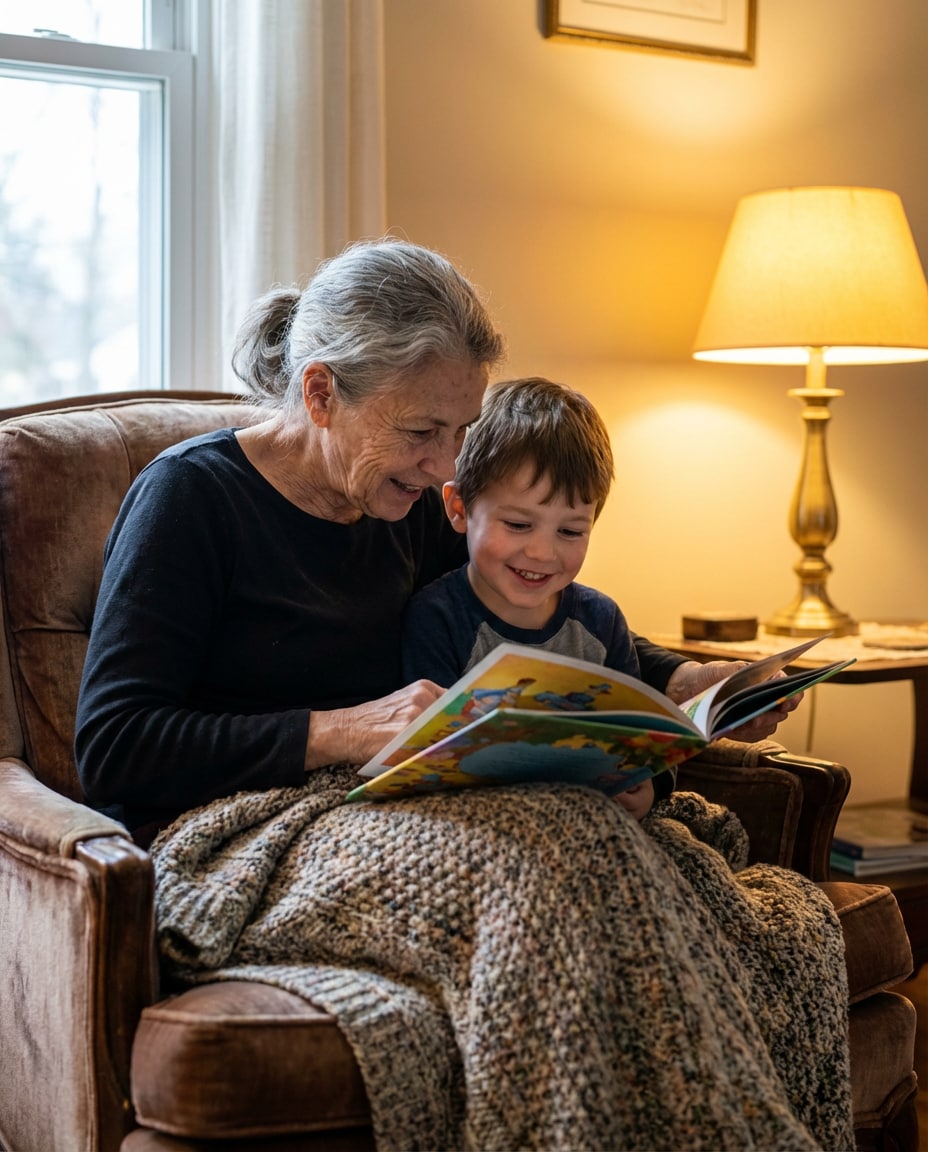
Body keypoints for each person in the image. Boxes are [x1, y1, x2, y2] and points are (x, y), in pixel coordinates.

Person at [74, 238, 851, 1152]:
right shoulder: (192, 500)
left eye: (459, 432)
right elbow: (115, 744)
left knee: (607, 841)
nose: (446, 467)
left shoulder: (400, 505)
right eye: (420, 433)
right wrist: (334, 731)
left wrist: (682, 681)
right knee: (554, 852)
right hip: (243, 837)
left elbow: (533, 608)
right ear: (321, 393)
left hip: (395, 809)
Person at [403, 375, 659, 819]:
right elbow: (430, 765)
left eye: (570, 531)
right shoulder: (436, 619)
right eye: (519, 525)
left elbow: (629, 746)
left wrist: (641, 786)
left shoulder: (602, 622)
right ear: (459, 509)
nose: (542, 552)